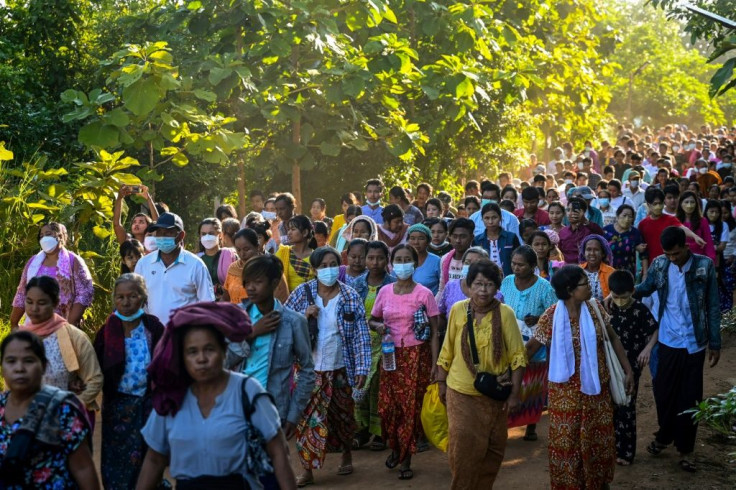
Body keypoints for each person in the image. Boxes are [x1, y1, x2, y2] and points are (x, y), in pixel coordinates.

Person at [136, 302, 296, 490]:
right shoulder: (170, 398)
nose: (201, 358)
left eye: (209, 349)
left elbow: (278, 451)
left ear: (223, 351)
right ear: (182, 357)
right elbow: (155, 459)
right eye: (192, 352)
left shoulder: (247, 391)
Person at [526, 265, 634, 489]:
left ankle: (598, 482)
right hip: (564, 395)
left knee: (598, 439)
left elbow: (613, 339)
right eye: (584, 283)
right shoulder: (551, 315)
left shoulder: (595, 309)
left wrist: (628, 370)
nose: (590, 287)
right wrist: (514, 375)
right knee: (567, 444)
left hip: (596, 390)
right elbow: (531, 348)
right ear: (570, 289)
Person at [632, 226, 721, 473]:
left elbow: (712, 306)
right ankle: (665, 434)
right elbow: (645, 288)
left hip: (695, 342)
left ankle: (686, 450)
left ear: (686, 246)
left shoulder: (704, 266)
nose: (673, 258)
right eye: (668, 254)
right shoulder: (660, 265)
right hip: (668, 339)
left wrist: (715, 342)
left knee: (690, 396)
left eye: (677, 253)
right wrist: (622, 293)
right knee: (663, 392)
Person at [284, 247, 371, 487]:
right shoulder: (302, 293)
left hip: (341, 368)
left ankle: (346, 453)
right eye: (323, 265)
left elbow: (361, 336)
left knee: (342, 415)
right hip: (309, 371)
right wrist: (304, 315)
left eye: (333, 264)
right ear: (314, 270)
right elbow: (283, 321)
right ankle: (307, 469)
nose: (329, 269)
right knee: (308, 419)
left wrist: (363, 369)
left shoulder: (350, 296)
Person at [436, 260, 526, 489]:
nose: (483, 290)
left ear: (497, 287)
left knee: (493, 449)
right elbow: (446, 350)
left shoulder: (506, 314)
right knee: (463, 449)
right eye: (478, 284)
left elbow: (517, 356)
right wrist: (441, 382)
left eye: (489, 285)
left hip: (494, 394)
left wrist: (514, 394)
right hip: (461, 391)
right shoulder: (457, 310)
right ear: (468, 286)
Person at [227, 255, 316, 448]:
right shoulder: (236, 318)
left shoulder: (294, 322)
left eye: (258, 282)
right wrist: (250, 333)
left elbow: (308, 371)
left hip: (275, 410)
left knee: (271, 468)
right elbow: (222, 361)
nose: (250, 287)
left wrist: (293, 415)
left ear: (275, 283)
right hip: (238, 407)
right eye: (247, 282)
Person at [369, 244, 440, 481]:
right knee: (389, 406)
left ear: (415, 263)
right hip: (390, 356)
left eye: (406, 259)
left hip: (416, 356)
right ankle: (395, 448)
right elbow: (373, 319)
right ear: (392, 263)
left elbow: (434, 331)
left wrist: (434, 363)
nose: (402, 264)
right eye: (397, 259)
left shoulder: (424, 294)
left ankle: (406, 458)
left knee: (410, 408)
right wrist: (379, 327)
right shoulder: (385, 292)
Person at [0, 330, 99, 489]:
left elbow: (83, 468)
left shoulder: (64, 410)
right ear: (2, 367)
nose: (19, 368)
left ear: (44, 365)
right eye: (11, 361)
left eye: (29, 360)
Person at [93, 274, 165, 489]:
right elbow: (95, 365)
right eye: (120, 297)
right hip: (117, 407)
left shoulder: (153, 327)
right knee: (117, 458)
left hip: (148, 405)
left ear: (142, 298)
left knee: (148, 456)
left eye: (132, 296)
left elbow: (165, 361)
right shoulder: (106, 331)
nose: (126, 302)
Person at [18, 276, 103, 418]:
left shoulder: (75, 337)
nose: (34, 309)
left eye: (42, 303)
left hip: (67, 419)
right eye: (29, 302)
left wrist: (70, 407)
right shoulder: (20, 340)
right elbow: (11, 384)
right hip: (28, 420)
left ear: (55, 303)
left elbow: (94, 379)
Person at [500, 246, 557, 440]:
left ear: (532, 266)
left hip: (535, 343)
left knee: (532, 386)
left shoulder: (544, 287)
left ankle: (531, 425)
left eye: (521, 265)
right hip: (509, 338)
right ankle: (507, 423)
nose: (516, 268)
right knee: (511, 381)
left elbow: (554, 314)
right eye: (513, 264)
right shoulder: (507, 282)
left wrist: (539, 317)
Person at [607, 270, 658, 466]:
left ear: (633, 292)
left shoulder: (640, 310)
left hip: (632, 365)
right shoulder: (608, 308)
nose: (620, 301)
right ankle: (610, 448)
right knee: (610, 406)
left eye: (624, 297)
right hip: (610, 364)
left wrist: (647, 349)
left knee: (627, 405)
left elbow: (654, 330)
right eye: (616, 296)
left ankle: (626, 452)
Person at [351, 241, 396, 450]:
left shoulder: (393, 284)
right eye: (371, 258)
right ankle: (361, 430)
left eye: (380, 258)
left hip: (386, 344)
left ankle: (380, 432)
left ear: (387, 260)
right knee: (360, 387)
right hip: (360, 344)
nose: (375, 262)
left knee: (380, 387)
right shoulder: (355, 284)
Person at [134, 212, 215, 324]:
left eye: (168, 233)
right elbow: (137, 300)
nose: (162, 237)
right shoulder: (144, 264)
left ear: (181, 235)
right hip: (154, 334)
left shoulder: (195, 265)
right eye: (159, 233)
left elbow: (207, 303)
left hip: (184, 334)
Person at [11, 222, 94, 329]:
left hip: (63, 325)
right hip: (35, 324)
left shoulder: (73, 261)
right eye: (41, 236)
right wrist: (14, 321)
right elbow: (22, 292)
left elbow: (84, 292)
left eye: (48, 234)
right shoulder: (33, 263)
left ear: (60, 236)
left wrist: (71, 323)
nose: (44, 238)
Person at [638, 187, 706, 260]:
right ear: (648, 205)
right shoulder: (643, 224)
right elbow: (641, 248)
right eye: (655, 204)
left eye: (660, 203)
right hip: (651, 264)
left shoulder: (670, 219)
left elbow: (681, 228)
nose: (658, 206)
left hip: (669, 262)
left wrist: (694, 236)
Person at [473, 202, 521, 277]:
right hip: (485, 280)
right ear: (482, 219)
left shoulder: (511, 237)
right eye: (487, 218)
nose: (490, 222)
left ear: (500, 218)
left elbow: (519, 260)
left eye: (494, 217)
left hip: (509, 279)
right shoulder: (477, 240)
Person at [197, 217, 238, 301]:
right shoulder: (196, 260)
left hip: (228, 304)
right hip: (202, 305)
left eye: (211, 233)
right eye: (203, 234)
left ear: (220, 235)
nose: (207, 237)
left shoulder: (230, 255)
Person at [274, 215, 317, 293]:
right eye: (289, 229)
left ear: (305, 232)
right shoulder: (283, 252)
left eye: (293, 229)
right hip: (286, 300)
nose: (289, 233)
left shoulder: (315, 256)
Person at [603, 204, 648, 277]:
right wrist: (634, 247)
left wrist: (645, 274)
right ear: (617, 216)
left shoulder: (635, 232)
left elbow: (644, 255)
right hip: (608, 272)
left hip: (628, 274)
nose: (627, 219)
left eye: (630, 217)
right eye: (624, 215)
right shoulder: (606, 231)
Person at [558, 197, 604, 264]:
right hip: (566, 269)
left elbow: (601, 235)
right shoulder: (563, 232)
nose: (570, 213)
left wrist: (584, 220)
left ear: (583, 212)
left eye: (574, 210)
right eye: (568, 210)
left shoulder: (590, 230)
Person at [438, 218, 475, 298]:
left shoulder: (477, 259)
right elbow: (442, 289)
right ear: (449, 238)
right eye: (454, 236)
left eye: (463, 236)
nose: (458, 240)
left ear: (471, 237)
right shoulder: (445, 259)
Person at [676, 190, 717, 260]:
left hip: (699, 259)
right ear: (681, 204)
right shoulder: (675, 221)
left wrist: (711, 259)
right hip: (680, 259)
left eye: (692, 202)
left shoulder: (703, 221)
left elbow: (708, 242)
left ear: (696, 204)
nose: (689, 205)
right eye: (686, 202)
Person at [580, 234, 616, 302]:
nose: (592, 253)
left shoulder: (611, 272)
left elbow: (617, 294)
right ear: (584, 253)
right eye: (588, 249)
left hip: (605, 311)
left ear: (603, 254)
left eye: (596, 250)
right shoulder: (577, 271)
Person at [408, 223, 441, 295]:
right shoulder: (403, 260)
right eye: (412, 238)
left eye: (421, 238)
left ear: (428, 241)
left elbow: (442, 288)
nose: (416, 242)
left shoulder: (436, 261)